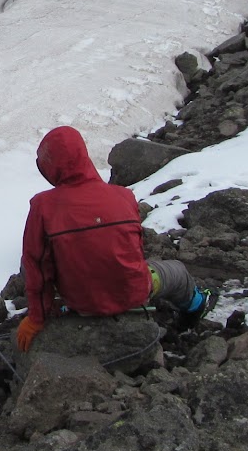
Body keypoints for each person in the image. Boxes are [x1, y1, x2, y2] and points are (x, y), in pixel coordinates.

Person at [15, 126, 214, 352]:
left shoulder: (43, 206)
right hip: (134, 293)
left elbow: (37, 267)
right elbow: (135, 250)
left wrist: (36, 318)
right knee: (177, 272)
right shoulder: (123, 195)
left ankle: (65, 307)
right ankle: (196, 307)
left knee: (40, 261)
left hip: (81, 302)